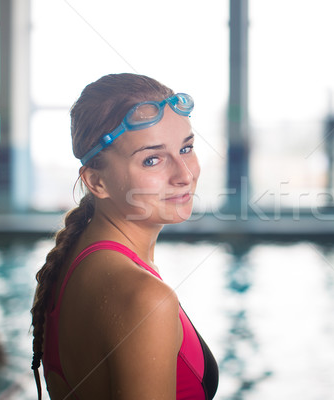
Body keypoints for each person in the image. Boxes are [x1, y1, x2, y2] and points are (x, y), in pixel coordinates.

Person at [30, 73, 218, 399]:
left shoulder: (73, 261)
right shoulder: (145, 298)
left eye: (186, 148)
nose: (184, 174)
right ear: (96, 181)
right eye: (152, 159)